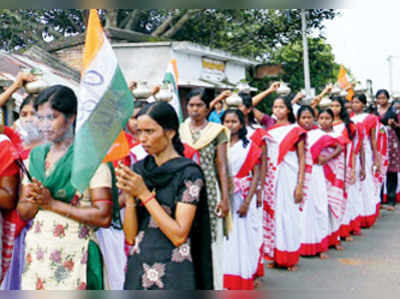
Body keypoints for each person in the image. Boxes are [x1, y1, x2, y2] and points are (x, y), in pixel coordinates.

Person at [17, 85, 116, 290]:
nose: (44, 125)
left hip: (76, 255)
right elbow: (24, 213)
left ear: (71, 118)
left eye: (51, 118)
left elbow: (104, 217)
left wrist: (51, 203)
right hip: (39, 254)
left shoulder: (90, 160)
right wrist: (33, 198)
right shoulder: (35, 159)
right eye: (40, 118)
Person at [117, 101, 213, 290]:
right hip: (140, 264)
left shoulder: (188, 173)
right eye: (139, 132)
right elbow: (130, 237)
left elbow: (178, 235)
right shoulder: (140, 169)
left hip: (174, 267)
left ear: (170, 132)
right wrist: (129, 197)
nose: (142, 139)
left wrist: (143, 193)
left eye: (150, 131)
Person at [179, 88, 230, 289]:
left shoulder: (217, 132)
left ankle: (212, 284)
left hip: (208, 189)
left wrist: (225, 197)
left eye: (199, 105)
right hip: (184, 189)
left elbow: (222, 165)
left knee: (209, 238)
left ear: (208, 107)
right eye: (191, 105)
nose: (194, 110)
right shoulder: (181, 129)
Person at [263, 96, 306, 272]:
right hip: (273, 179)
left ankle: (290, 257)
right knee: (275, 216)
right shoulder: (270, 131)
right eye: (275, 107)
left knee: (289, 216)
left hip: (290, 176)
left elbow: (302, 158)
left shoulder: (296, 130)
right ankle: (276, 255)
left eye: (281, 107)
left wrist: (300, 184)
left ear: (288, 109)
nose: (277, 110)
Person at [221, 109, 261, 290]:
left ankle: (243, 275)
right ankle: (224, 276)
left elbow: (256, 175)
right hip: (223, 197)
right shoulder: (218, 145)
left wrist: (247, 202)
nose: (230, 125)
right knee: (225, 238)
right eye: (227, 121)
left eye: (234, 121)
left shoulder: (249, 147)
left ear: (241, 124)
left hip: (241, 198)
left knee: (243, 237)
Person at [297, 106, 342, 260]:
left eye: (309, 117)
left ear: (313, 118)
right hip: (298, 174)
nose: (306, 120)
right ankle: (301, 244)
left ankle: (321, 246)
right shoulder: (295, 133)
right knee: (301, 211)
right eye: (303, 118)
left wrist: (326, 158)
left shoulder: (319, 135)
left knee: (319, 207)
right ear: (298, 119)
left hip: (315, 173)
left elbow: (339, 146)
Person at [329, 96, 358, 243]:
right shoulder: (324, 123)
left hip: (343, 164)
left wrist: (352, 168)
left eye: (337, 106)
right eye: (332, 106)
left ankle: (344, 229)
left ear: (342, 108)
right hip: (328, 165)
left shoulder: (348, 126)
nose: (334, 109)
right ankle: (332, 231)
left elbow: (352, 148)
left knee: (343, 195)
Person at [351, 94, 381, 228]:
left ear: (363, 104)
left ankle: (367, 214)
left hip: (366, 151)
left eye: (357, 102)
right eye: (353, 102)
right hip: (353, 152)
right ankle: (357, 214)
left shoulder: (371, 119)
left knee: (366, 182)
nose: (354, 105)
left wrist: (376, 158)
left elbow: (373, 140)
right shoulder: (349, 118)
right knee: (355, 183)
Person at [376, 89, 400, 211]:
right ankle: (379, 199)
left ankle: (391, 199)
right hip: (378, 140)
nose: (381, 100)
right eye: (379, 98)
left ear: (387, 98)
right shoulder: (374, 111)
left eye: (383, 98)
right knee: (378, 169)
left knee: (391, 170)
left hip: (391, 140)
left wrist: (394, 124)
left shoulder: (394, 110)